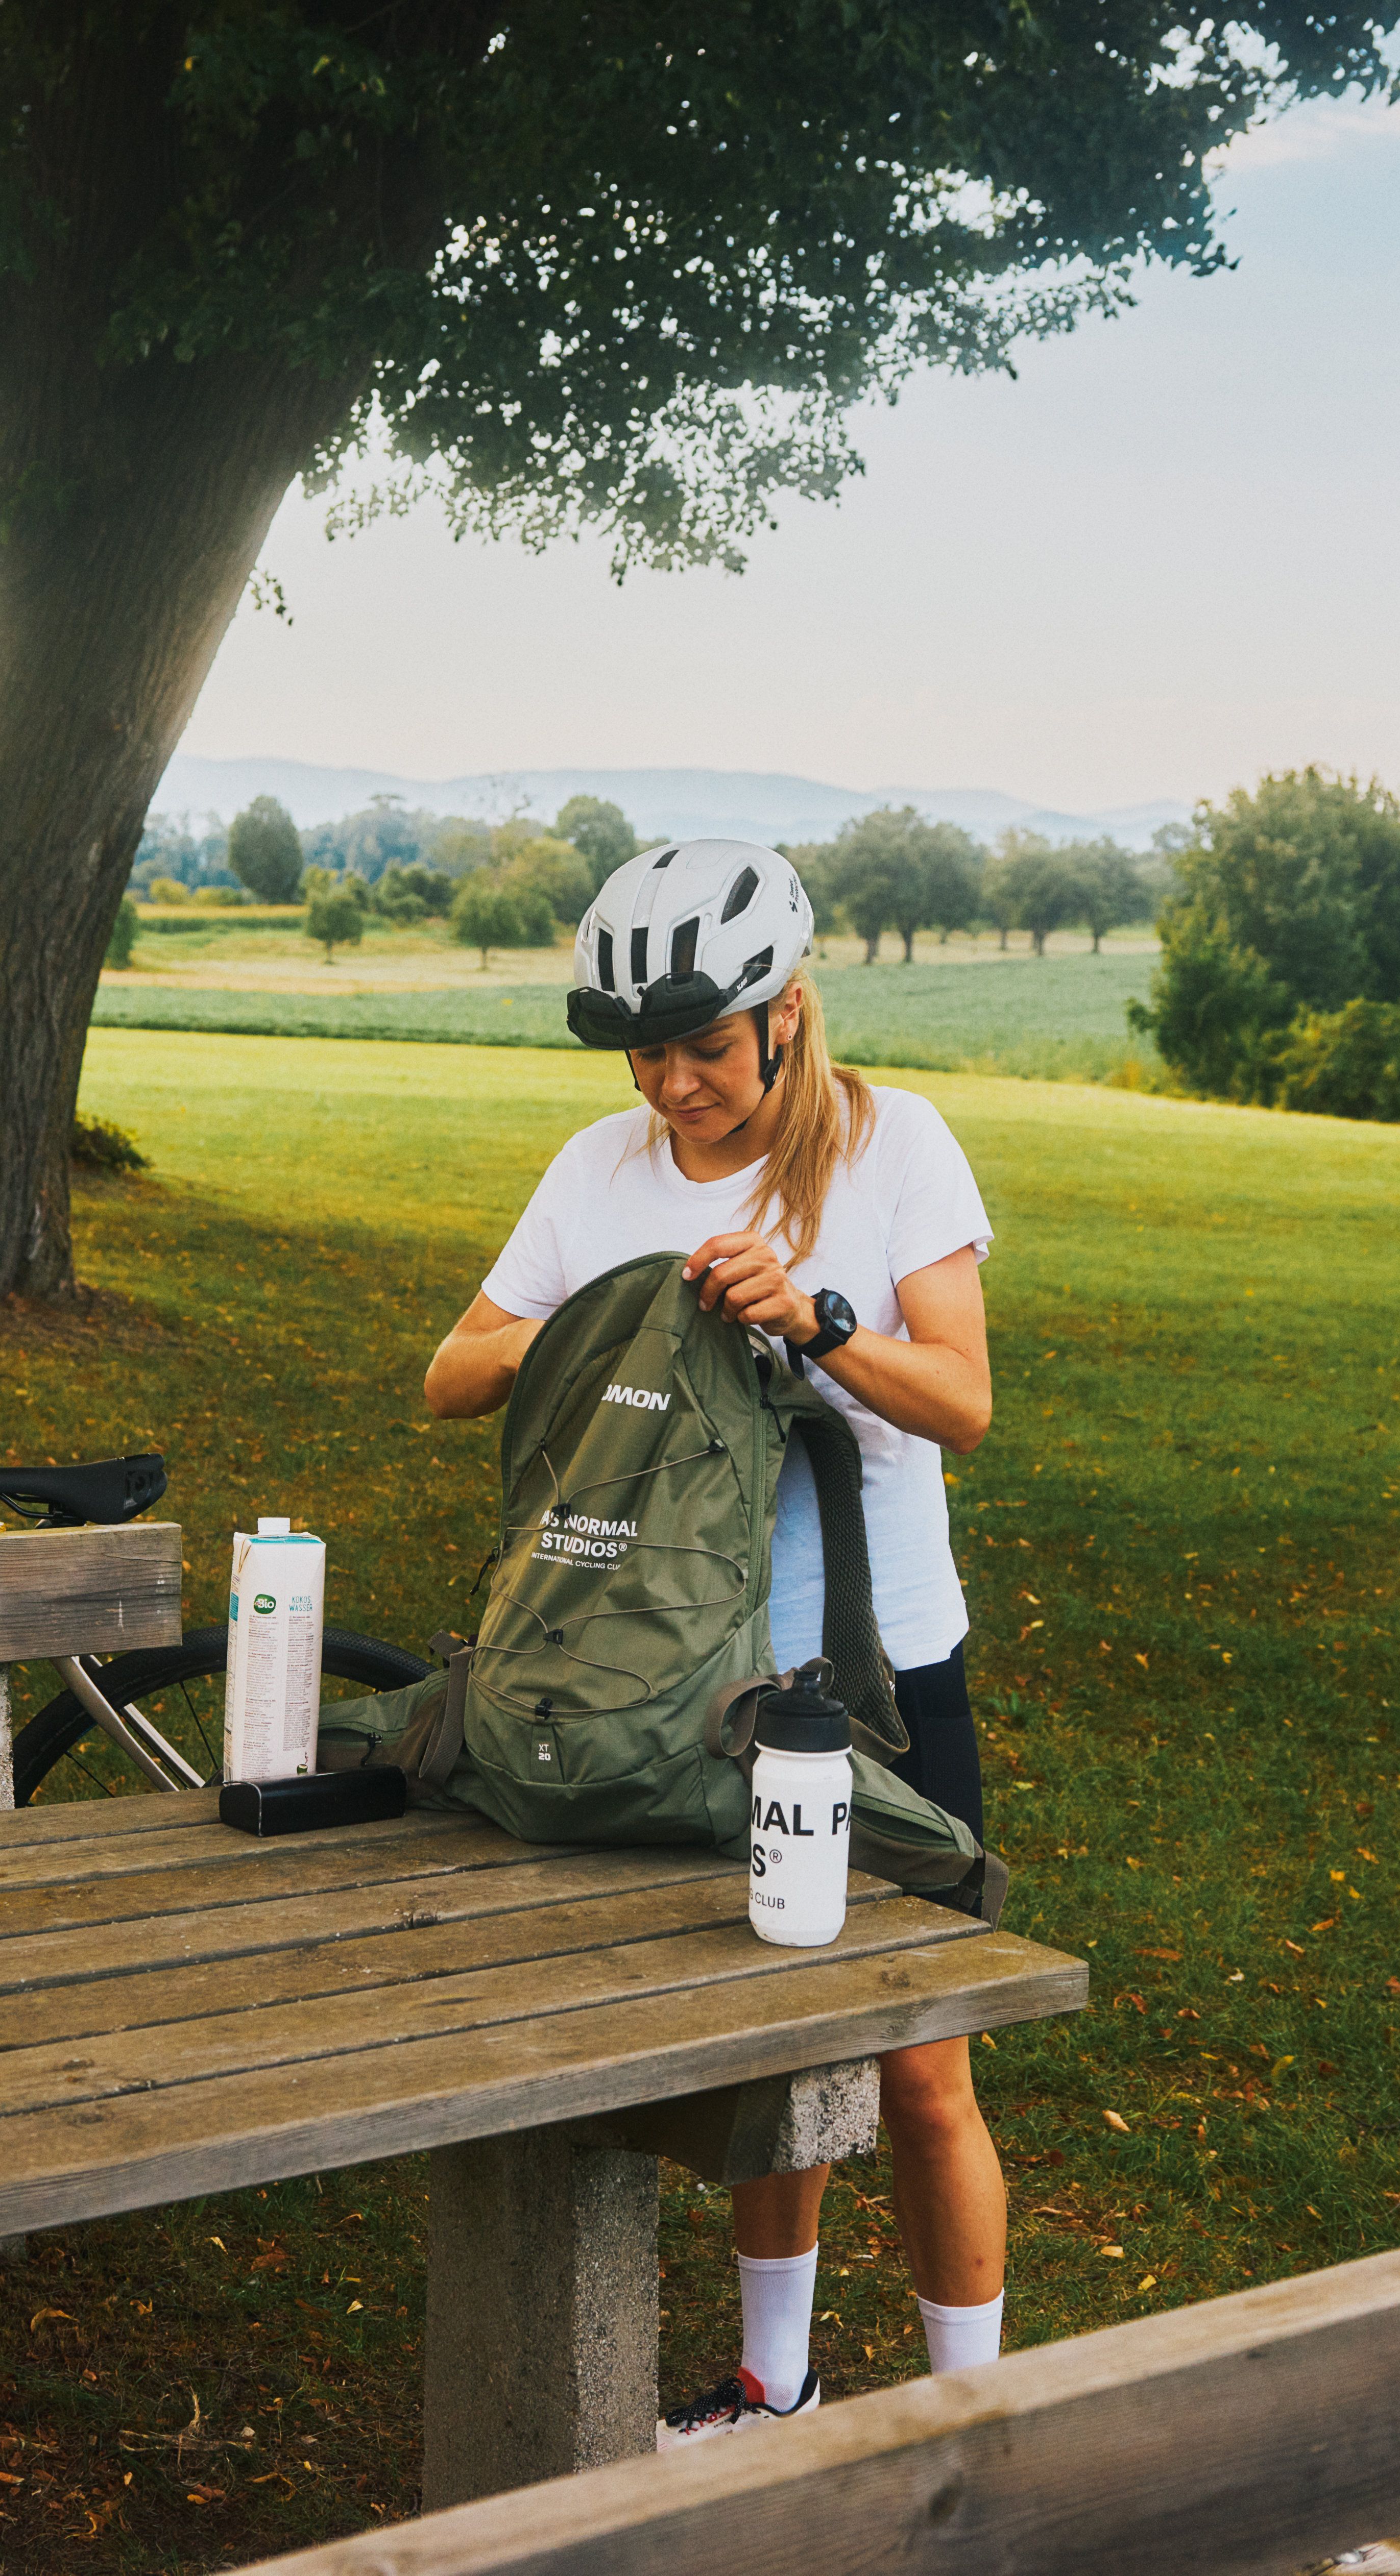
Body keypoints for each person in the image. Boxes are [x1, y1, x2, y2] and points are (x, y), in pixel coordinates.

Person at [420, 836, 1006, 2445]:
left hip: (877, 1674)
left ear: (786, 1016)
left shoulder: (895, 1150)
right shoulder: (600, 1168)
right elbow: (452, 1375)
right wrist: (615, 1308)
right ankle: (775, 2387)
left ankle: (983, 2428)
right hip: (688, 1690)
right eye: (645, 1053)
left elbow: (959, 1400)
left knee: (923, 2069)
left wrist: (814, 1319)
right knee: (773, 2057)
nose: (671, 1086)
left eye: (702, 1048)